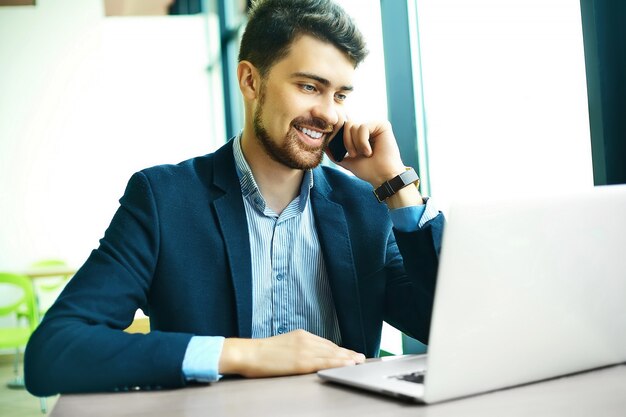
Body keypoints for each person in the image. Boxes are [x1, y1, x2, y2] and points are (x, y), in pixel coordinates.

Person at [24, 0, 444, 396]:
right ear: (250, 80)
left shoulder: (364, 206)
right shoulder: (163, 200)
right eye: (309, 86)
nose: (331, 114)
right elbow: (55, 351)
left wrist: (396, 185)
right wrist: (246, 354)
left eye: (340, 95)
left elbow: (445, 327)